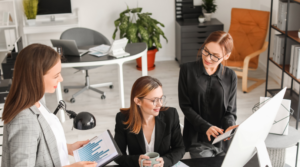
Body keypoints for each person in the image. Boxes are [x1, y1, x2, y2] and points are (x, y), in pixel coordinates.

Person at [1, 44, 97, 167]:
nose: (61, 79)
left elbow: (41, 145)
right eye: (56, 76)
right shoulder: (24, 120)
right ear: (36, 78)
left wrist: (67, 148)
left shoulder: (36, 103)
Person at [178, 31, 238, 155]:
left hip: (221, 139)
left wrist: (230, 127)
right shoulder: (186, 70)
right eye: (206, 51)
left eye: (215, 56)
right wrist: (206, 127)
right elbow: (185, 106)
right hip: (196, 137)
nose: (208, 58)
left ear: (226, 56)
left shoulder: (231, 76)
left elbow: (230, 112)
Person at [114, 76, 185, 167]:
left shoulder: (171, 115)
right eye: (154, 100)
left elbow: (180, 148)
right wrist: (137, 161)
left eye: (161, 98)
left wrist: (165, 161)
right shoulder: (123, 118)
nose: (160, 104)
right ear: (138, 101)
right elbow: (117, 155)